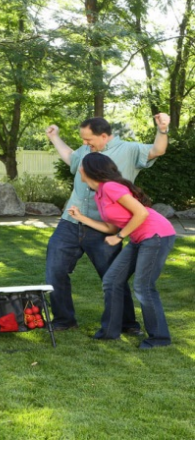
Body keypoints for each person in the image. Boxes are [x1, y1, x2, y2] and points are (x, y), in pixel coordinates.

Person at [45, 113, 170, 331]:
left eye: (88, 139)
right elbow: (70, 157)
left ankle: (127, 323)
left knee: (113, 276)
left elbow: (157, 150)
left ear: (104, 136)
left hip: (105, 227)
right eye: (83, 140)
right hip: (70, 222)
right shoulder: (86, 151)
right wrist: (55, 137)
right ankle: (64, 320)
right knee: (55, 271)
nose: (84, 144)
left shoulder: (130, 150)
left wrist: (162, 129)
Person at [68, 153, 176, 348]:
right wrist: (82, 218)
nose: (79, 169)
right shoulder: (100, 193)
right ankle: (110, 332)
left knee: (144, 287)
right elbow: (111, 227)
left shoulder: (111, 187)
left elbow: (141, 212)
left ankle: (160, 338)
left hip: (156, 235)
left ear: (89, 169)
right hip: (139, 238)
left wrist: (119, 237)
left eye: (82, 166)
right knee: (111, 281)